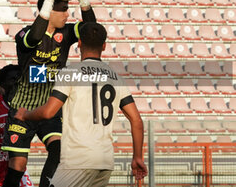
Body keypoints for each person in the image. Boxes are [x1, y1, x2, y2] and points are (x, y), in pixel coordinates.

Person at [15, 22, 148, 187]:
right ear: (104, 46)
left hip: (78, 159)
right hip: (105, 162)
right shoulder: (115, 78)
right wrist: (137, 157)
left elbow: (49, 112)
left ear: (79, 44)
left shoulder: (70, 73)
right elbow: (137, 121)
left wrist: (25, 114)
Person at [1, 0, 96, 187]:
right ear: (48, 10)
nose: (66, 13)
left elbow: (92, 30)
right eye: (61, 9)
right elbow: (35, 37)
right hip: (22, 110)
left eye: (67, 8)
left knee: (59, 151)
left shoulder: (68, 32)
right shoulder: (25, 34)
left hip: (49, 109)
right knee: (17, 168)